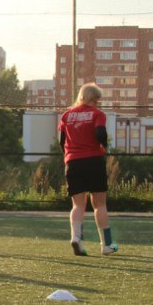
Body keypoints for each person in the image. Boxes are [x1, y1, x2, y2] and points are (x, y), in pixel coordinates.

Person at [58, 83, 116, 256]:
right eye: (97, 100)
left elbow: (62, 140)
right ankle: (106, 245)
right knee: (99, 204)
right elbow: (100, 133)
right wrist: (103, 147)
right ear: (94, 99)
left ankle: (76, 238)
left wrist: (68, 155)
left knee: (77, 205)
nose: (97, 103)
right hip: (93, 160)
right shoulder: (97, 114)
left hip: (73, 162)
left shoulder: (67, 115)